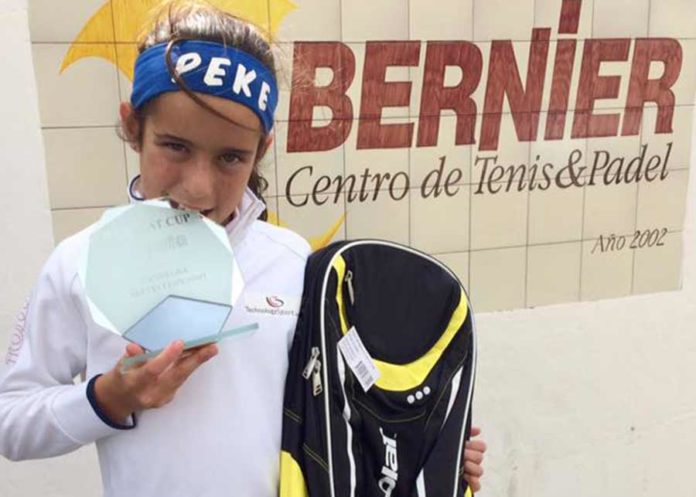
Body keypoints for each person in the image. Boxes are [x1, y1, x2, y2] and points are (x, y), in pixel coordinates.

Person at [0, 1, 486, 495]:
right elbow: (10, 420)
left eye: (231, 157)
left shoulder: (295, 264)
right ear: (133, 127)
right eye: (174, 146)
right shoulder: (81, 262)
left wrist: (429, 446)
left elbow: (342, 412)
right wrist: (110, 398)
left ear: (262, 150)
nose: (197, 188)